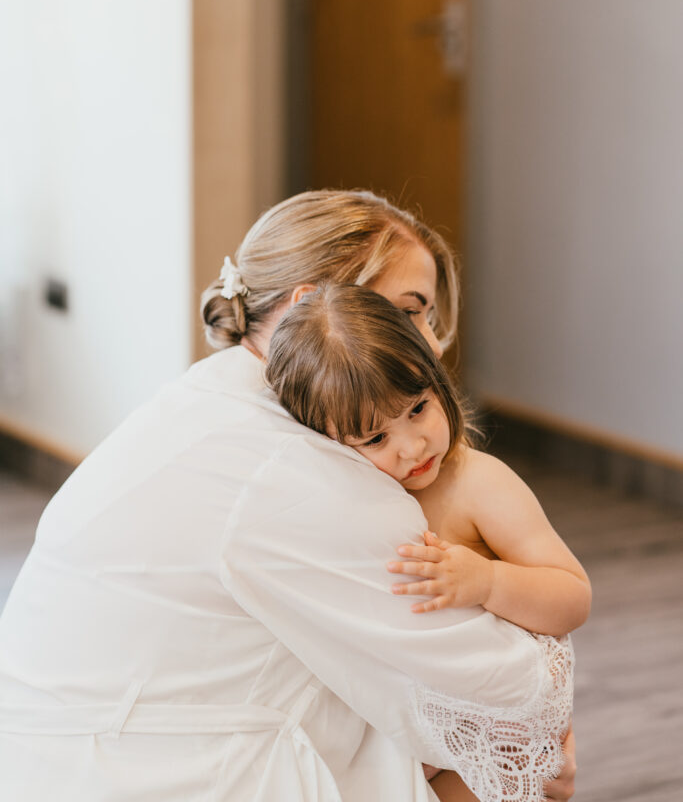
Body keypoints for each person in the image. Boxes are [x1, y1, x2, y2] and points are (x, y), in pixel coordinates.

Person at [0, 189, 577, 802]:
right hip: (136, 770)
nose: (432, 346)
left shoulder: (210, 400)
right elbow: (511, 689)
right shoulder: (295, 472)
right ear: (310, 306)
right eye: (409, 313)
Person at [266, 282, 591, 801]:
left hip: (492, 726)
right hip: (408, 723)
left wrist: (487, 579)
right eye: (375, 439)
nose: (412, 446)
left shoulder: (477, 483)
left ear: (437, 380)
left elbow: (572, 596)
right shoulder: (346, 495)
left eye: (418, 407)